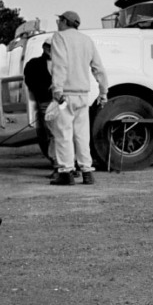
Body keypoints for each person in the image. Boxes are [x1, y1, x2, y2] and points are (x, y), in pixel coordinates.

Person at [48, 10, 109, 186]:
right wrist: (103, 91)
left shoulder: (60, 37)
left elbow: (60, 64)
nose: (58, 23)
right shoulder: (87, 40)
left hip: (65, 94)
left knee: (63, 134)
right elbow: (99, 68)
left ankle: (66, 173)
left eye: (59, 19)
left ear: (65, 21)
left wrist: (57, 89)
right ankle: (87, 172)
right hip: (83, 95)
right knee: (82, 135)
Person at [23, 38, 55, 170]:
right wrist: (44, 90)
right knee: (52, 133)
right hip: (45, 102)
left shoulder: (62, 63)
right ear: (44, 47)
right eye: (48, 47)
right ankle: (58, 164)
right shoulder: (34, 64)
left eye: (53, 47)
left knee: (63, 134)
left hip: (62, 102)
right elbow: (30, 82)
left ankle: (66, 165)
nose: (50, 50)